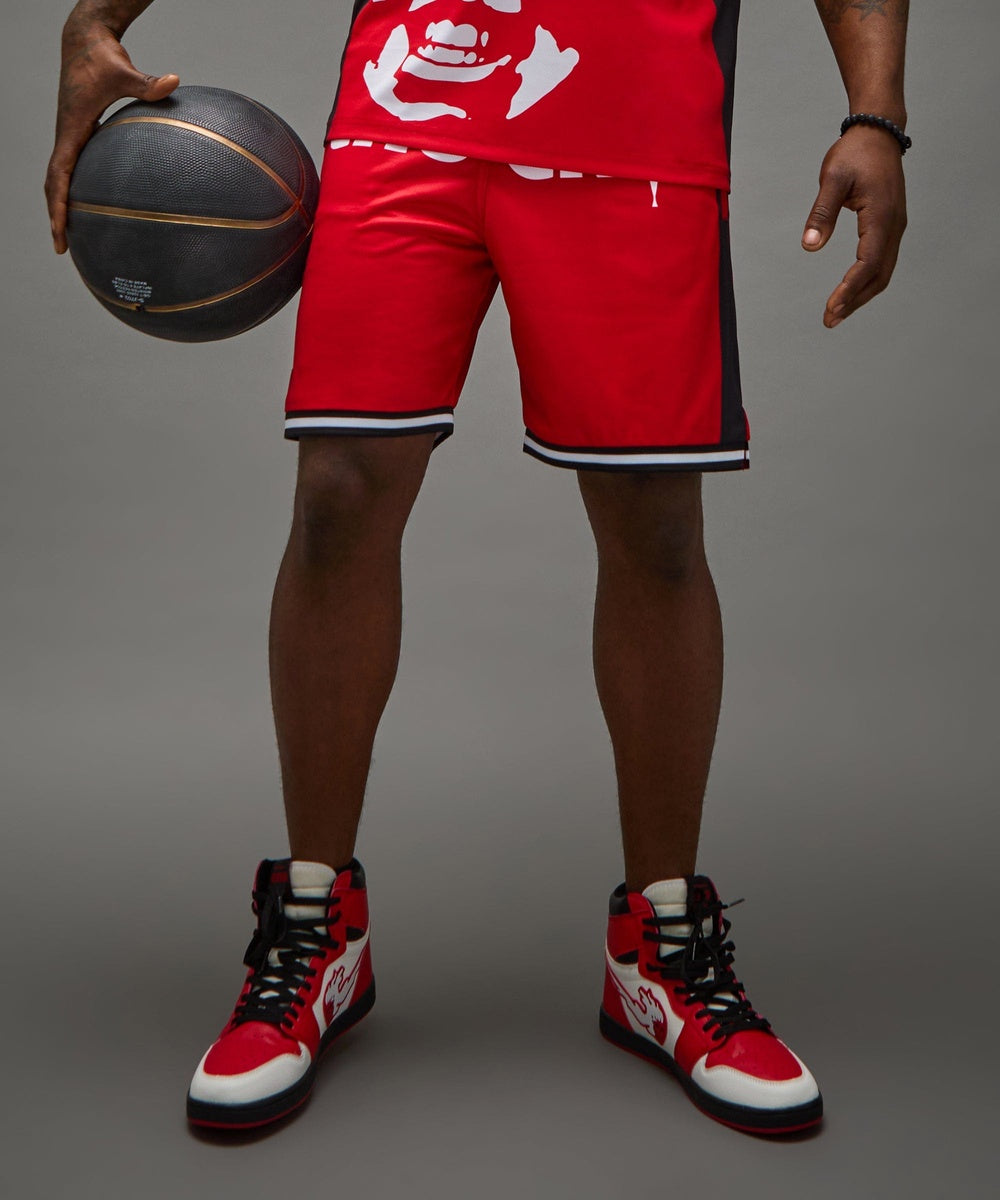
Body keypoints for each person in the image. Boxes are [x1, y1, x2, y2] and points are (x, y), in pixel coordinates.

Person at [45, 0, 909, 1136]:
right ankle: (317, 928)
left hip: (636, 122)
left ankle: (658, 949)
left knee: (655, 522)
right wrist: (97, 18)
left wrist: (874, 115)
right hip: (414, 97)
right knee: (338, 497)